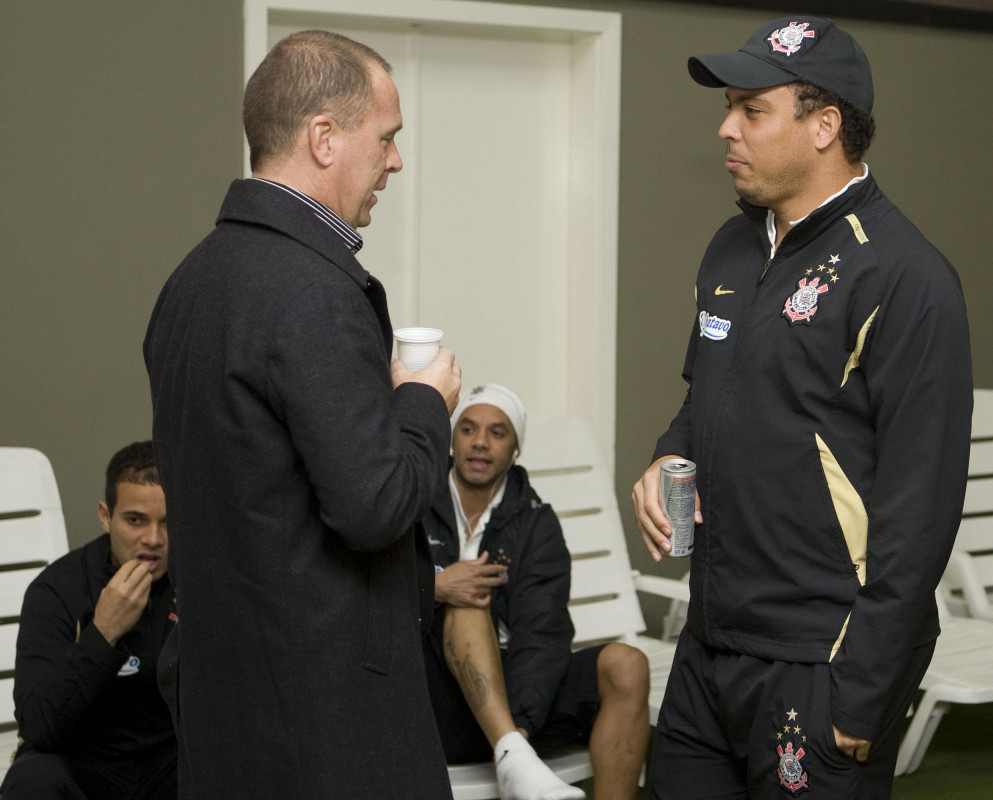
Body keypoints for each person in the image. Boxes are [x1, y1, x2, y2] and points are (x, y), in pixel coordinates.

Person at [631, 16, 973, 799]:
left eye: (752, 110)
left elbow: (922, 509)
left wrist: (866, 691)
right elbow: (704, 399)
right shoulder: (730, 245)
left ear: (825, 126)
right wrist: (666, 454)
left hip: (823, 661)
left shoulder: (905, 278)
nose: (726, 128)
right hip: (709, 643)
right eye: (729, 107)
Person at [143, 30, 461, 799]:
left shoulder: (191, 280)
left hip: (224, 692)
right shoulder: (311, 290)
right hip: (325, 710)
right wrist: (423, 402)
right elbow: (374, 505)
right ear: (324, 137)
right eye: (385, 139)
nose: (395, 162)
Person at [424, 385, 650, 800]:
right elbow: (370, 599)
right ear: (451, 440)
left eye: (497, 432)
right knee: (470, 603)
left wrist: (520, 728)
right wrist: (435, 586)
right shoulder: (413, 502)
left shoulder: (536, 524)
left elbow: (543, 632)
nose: (479, 442)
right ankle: (515, 756)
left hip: (521, 699)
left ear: (516, 449)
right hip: (435, 698)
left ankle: (514, 755)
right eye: (468, 429)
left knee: (627, 664)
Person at [1, 442, 175, 800]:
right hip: (83, 765)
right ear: (105, 516)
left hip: (169, 765)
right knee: (31, 780)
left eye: (167, 522)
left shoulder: (200, 586)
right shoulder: (57, 589)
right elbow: (38, 726)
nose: (153, 539)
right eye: (135, 520)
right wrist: (103, 632)